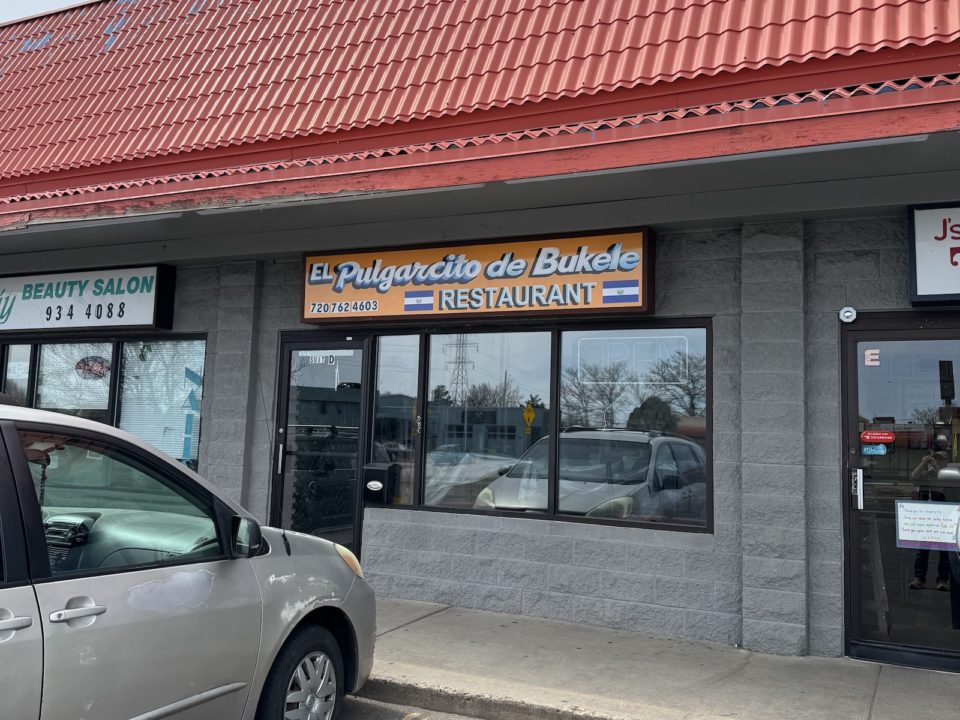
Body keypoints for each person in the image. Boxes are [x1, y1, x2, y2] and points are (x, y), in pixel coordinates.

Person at [909, 436, 951, 590]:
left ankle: (942, 580)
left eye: (940, 459)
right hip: (927, 516)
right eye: (936, 458)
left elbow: (947, 483)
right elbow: (913, 478)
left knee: (944, 550)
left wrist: (937, 468)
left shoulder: (947, 473)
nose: (937, 461)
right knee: (923, 549)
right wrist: (923, 463)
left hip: (944, 516)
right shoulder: (926, 475)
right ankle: (919, 578)